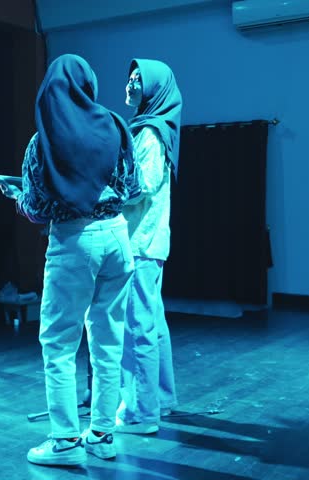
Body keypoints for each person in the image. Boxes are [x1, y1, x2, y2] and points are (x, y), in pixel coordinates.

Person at [0, 54, 138, 465]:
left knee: (59, 343)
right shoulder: (116, 125)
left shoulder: (44, 138)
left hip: (74, 242)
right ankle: (102, 435)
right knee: (108, 341)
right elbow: (131, 186)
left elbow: (38, 207)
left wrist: (17, 200)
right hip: (118, 236)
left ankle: (63, 441)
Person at [116, 58, 182, 434]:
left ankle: (142, 413)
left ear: (155, 89)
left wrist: (103, 194)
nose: (130, 84)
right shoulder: (147, 129)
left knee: (138, 325)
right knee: (153, 324)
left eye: (139, 80)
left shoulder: (151, 133)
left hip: (140, 241)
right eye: (130, 77)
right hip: (149, 239)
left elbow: (143, 186)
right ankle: (162, 399)